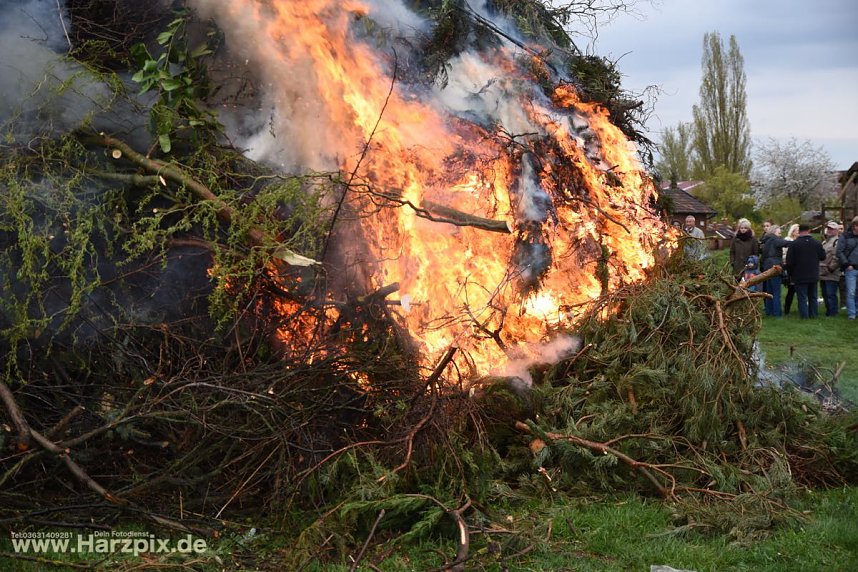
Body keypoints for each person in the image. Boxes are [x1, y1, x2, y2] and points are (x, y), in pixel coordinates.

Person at [785, 224, 825, 319]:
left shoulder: (794, 244)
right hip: (813, 273)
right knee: (813, 296)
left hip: (799, 274)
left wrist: (790, 274)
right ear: (809, 230)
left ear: (799, 231)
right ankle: (813, 315)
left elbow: (789, 262)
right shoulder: (817, 243)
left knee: (802, 297)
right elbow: (823, 256)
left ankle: (804, 316)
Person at [759, 225, 790, 316]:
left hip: (766, 267)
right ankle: (777, 313)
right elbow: (786, 243)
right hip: (775, 268)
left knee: (769, 292)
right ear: (773, 232)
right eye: (779, 232)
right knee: (776, 292)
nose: (780, 235)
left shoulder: (767, 241)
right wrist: (796, 242)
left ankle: (769, 312)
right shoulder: (775, 239)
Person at [835, 215, 858, 320]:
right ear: (854, 226)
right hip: (851, 268)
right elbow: (839, 251)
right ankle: (852, 314)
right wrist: (847, 264)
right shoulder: (845, 236)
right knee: (851, 292)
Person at [819, 221, 841, 317]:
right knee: (825, 294)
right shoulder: (825, 241)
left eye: (832, 229)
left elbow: (837, 257)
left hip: (831, 272)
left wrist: (830, 268)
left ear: (836, 230)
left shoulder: (838, 241)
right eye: (828, 228)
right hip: (821, 272)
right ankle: (829, 312)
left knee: (831, 294)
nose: (829, 230)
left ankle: (833, 313)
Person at [783, 223, 800, 315]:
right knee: (791, 289)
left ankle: (802, 308)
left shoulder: (800, 241)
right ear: (793, 232)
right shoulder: (787, 240)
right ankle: (787, 309)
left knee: (800, 290)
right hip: (790, 268)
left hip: (800, 268)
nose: (799, 232)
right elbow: (784, 254)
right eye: (797, 231)